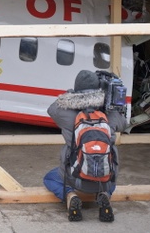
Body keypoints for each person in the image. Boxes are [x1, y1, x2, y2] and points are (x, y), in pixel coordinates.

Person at [43, 70, 127, 222]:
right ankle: (105, 195)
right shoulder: (109, 113)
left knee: (50, 178)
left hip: (75, 178)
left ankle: (70, 195)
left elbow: (52, 109)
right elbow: (124, 123)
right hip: (105, 179)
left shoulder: (67, 114)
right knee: (113, 180)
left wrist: (71, 95)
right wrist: (109, 100)